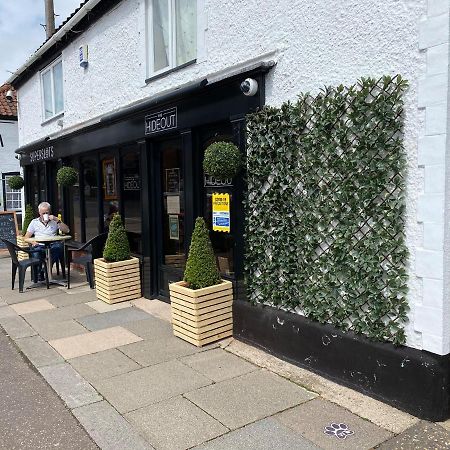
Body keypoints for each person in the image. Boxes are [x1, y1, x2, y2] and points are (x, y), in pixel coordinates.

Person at [24, 202, 70, 282]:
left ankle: (45, 270)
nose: (45, 214)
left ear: (50, 212)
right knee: (36, 253)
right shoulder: (34, 222)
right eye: (43, 213)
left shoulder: (54, 221)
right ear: (39, 213)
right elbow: (26, 237)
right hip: (39, 245)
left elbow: (67, 230)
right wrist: (34, 243)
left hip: (52, 244)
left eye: (47, 213)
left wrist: (57, 220)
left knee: (59, 247)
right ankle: (40, 273)